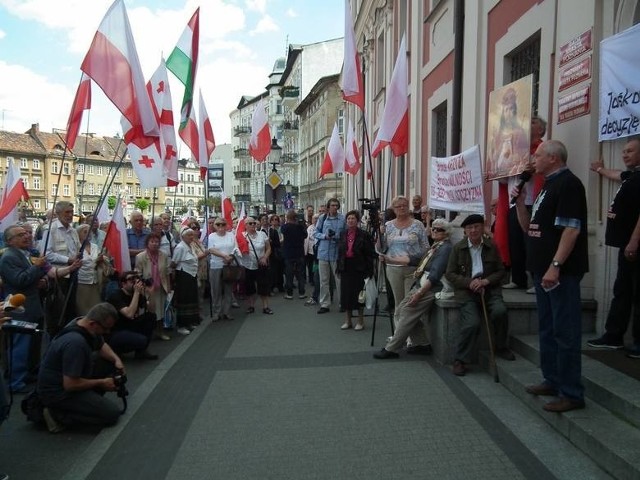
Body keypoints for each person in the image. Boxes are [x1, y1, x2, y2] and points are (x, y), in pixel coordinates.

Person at [514, 139, 588, 413]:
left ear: (554, 158)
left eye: (538, 155)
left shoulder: (569, 184)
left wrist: (555, 265)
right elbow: (528, 228)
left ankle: (571, 393)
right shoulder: (546, 185)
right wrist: (520, 203)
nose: (533, 160)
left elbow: (571, 230)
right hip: (541, 271)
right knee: (547, 328)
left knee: (564, 331)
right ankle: (552, 379)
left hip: (560, 274)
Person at [0, 225, 79, 393]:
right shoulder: (8, 258)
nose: (27, 236)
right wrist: (37, 268)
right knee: (20, 346)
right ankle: (15, 382)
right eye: (20, 235)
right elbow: (19, 280)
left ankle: (29, 373)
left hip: (34, 306)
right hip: (19, 308)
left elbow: (48, 273)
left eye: (27, 233)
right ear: (9, 241)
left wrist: (65, 271)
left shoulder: (31, 254)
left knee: (34, 345)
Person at [587, 137, 640, 357]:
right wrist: (600, 170)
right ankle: (614, 335)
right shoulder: (632, 176)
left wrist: (634, 241)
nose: (624, 154)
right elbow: (617, 174)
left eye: (630, 151)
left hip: (634, 247)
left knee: (638, 294)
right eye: (624, 151)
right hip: (626, 247)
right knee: (622, 291)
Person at [445, 214, 515, 377]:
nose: (474, 230)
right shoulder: (458, 248)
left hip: (490, 290)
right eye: (470, 228)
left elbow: (500, 271)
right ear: (465, 231)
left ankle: (501, 347)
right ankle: (460, 360)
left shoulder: (492, 246)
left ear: (483, 228)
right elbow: (450, 274)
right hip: (466, 292)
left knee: (500, 311)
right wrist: (469, 283)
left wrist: (485, 282)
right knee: (472, 323)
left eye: (477, 226)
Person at [36, 303, 123, 432]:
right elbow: (70, 384)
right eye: (105, 329)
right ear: (93, 324)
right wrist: (101, 383)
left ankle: (88, 402)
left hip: (67, 379)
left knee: (108, 363)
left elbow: (101, 345)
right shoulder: (76, 343)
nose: (107, 332)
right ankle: (56, 415)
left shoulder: (81, 323)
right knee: (111, 414)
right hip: (58, 392)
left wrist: (117, 360)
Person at [374, 219, 453, 358]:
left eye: (439, 229)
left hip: (432, 287)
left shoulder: (445, 249)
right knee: (400, 310)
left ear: (446, 233)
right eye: (433, 228)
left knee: (407, 311)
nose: (434, 231)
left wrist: (419, 293)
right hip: (421, 282)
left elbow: (435, 274)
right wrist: (390, 259)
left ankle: (391, 349)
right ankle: (422, 344)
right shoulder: (436, 246)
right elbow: (416, 259)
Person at [503, 115, 547, 291]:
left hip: (531, 201)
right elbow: (506, 179)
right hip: (514, 202)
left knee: (531, 242)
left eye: (534, 122)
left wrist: (533, 168)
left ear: (541, 130)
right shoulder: (514, 151)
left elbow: (544, 171)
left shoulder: (542, 150)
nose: (529, 124)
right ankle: (518, 278)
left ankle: (536, 279)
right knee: (516, 243)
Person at [379, 196, 429, 334]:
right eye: (398, 206)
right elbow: (380, 248)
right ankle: (399, 334)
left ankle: (408, 336)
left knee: (409, 304)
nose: (402, 208)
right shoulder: (388, 226)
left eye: (404, 205)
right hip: (393, 269)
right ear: (394, 209)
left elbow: (426, 247)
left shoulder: (417, 224)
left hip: (412, 269)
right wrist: (380, 234)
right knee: (398, 302)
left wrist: (416, 259)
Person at [39, 200, 81, 329]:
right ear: (57, 214)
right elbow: (46, 254)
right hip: (58, 278)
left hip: (73, 274)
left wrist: (78, 258)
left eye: (71, 212)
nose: (70, 215)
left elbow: (77, 249)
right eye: (67, 212)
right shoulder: (50, 230)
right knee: (57, 311)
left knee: (71, 308)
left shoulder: (73, 231)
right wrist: (68, 260)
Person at [336, 210, 375, 331]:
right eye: (348, 219)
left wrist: (370, 270)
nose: (350, 220)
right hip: (345, 266)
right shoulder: (343, 234)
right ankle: (348, 321)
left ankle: (360, 321)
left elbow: (369, 254)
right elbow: (340, 252)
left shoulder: (364, 235)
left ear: (357, 221)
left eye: (353, 218)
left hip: (359, 267)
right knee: (346, 294)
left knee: (359, 295)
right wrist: (339, 267)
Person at [106, 271, 159, 360]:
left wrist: (151, 293)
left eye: (136, 278)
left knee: (151, 317)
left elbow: (152, 310)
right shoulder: (115, 296)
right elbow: (129, 314)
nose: (135, 282)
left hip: (129, 326)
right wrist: (137, 293)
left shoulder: (136, 294)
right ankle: (115, 351)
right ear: (123, 283)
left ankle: (141, 352)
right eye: (131, 279)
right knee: (141, 340)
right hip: (115, 331)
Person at [135, 233, 171, 340]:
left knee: (160, 311)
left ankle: (160, 331)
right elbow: (138, 274)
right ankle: (147, 333)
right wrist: (144, 288)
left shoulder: (163, 255)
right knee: (149, 312)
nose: (155, 244)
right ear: (147, 243)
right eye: (152, 242)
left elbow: (167, 272)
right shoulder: (140, 257)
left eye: (157, 242)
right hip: (147, 289)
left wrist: (168, 287)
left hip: (161, 287)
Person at [313, 198, 346, 314]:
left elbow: (345, 235)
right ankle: (325, 304)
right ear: (328, 207)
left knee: (339, 280)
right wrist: (324, 236)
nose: (335, 207)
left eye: (336, 205)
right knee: (324, 280)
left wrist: (336, 236)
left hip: (336, 253)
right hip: (323, 252)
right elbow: (315, 233)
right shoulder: (322, 218)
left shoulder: (342, 219)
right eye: (332, 205)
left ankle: (343, 303)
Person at [171, 228, 206, 333]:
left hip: (192, 275)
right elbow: (174, 263)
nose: (191, 237)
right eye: (189, 235)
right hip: (183, 276)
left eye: (192, 235)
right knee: (184, 300)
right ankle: (181, 325)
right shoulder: (180, 247)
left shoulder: (191, 246)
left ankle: (190, 322)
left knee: (191, 299)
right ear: (182, 236)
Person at [207, 217, 240, 321]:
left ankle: (227, 311)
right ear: (215, 226)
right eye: (218, 225)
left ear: (226, 225)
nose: (221, 227)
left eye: (223, 224)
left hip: (229, 266)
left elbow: (235, 247)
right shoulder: (212, 236)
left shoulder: (231, 235)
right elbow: (211, 249)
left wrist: (230, 256)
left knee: (228, 289)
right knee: (216, 290)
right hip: (216, 265)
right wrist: (223, 256)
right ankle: (217, 312)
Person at [241, 217, 274, 315]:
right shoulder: (242, 236)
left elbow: (268, 248)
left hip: (261, 264)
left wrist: (265, 257)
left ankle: (265, 307)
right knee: (249, 287)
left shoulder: (262, 234)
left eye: (254, 223)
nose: (252, 225)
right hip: (248, 265)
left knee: (263, 285)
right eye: (250, 223)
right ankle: (251, 306)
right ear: (245, 225)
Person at [74, 224, 102, 316]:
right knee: (83, 309)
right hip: (82, 282)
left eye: (89, 231)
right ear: (78, 234)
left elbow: (99, 261)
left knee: (95, 308)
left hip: (95, 281)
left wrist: (101, 260)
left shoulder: (95, 246)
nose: (88, 234)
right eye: (85, 232)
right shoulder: (77, 248)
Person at [281, 209, 307, 300]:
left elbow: (282, 230)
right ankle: (302, 293)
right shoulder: (300, 227)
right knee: (300, 274)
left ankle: (289, 293)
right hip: (299, 252)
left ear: (287, 217)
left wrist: (286, 220)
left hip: (289, 253)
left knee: (289, 274)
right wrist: (301, 223)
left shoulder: (285, 227)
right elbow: (305, 235)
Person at [268, 214, 284, 293]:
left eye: (276, 220)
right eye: (273, 220)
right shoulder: (269, 230)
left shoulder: (281, 229)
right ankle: (272, 286)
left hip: (280, 251)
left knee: (280, 269)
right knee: (273, 270)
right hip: (272, 252)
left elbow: (282, 239)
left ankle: (280, 286)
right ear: (270, 221)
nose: (275, 221)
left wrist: (277, 242)